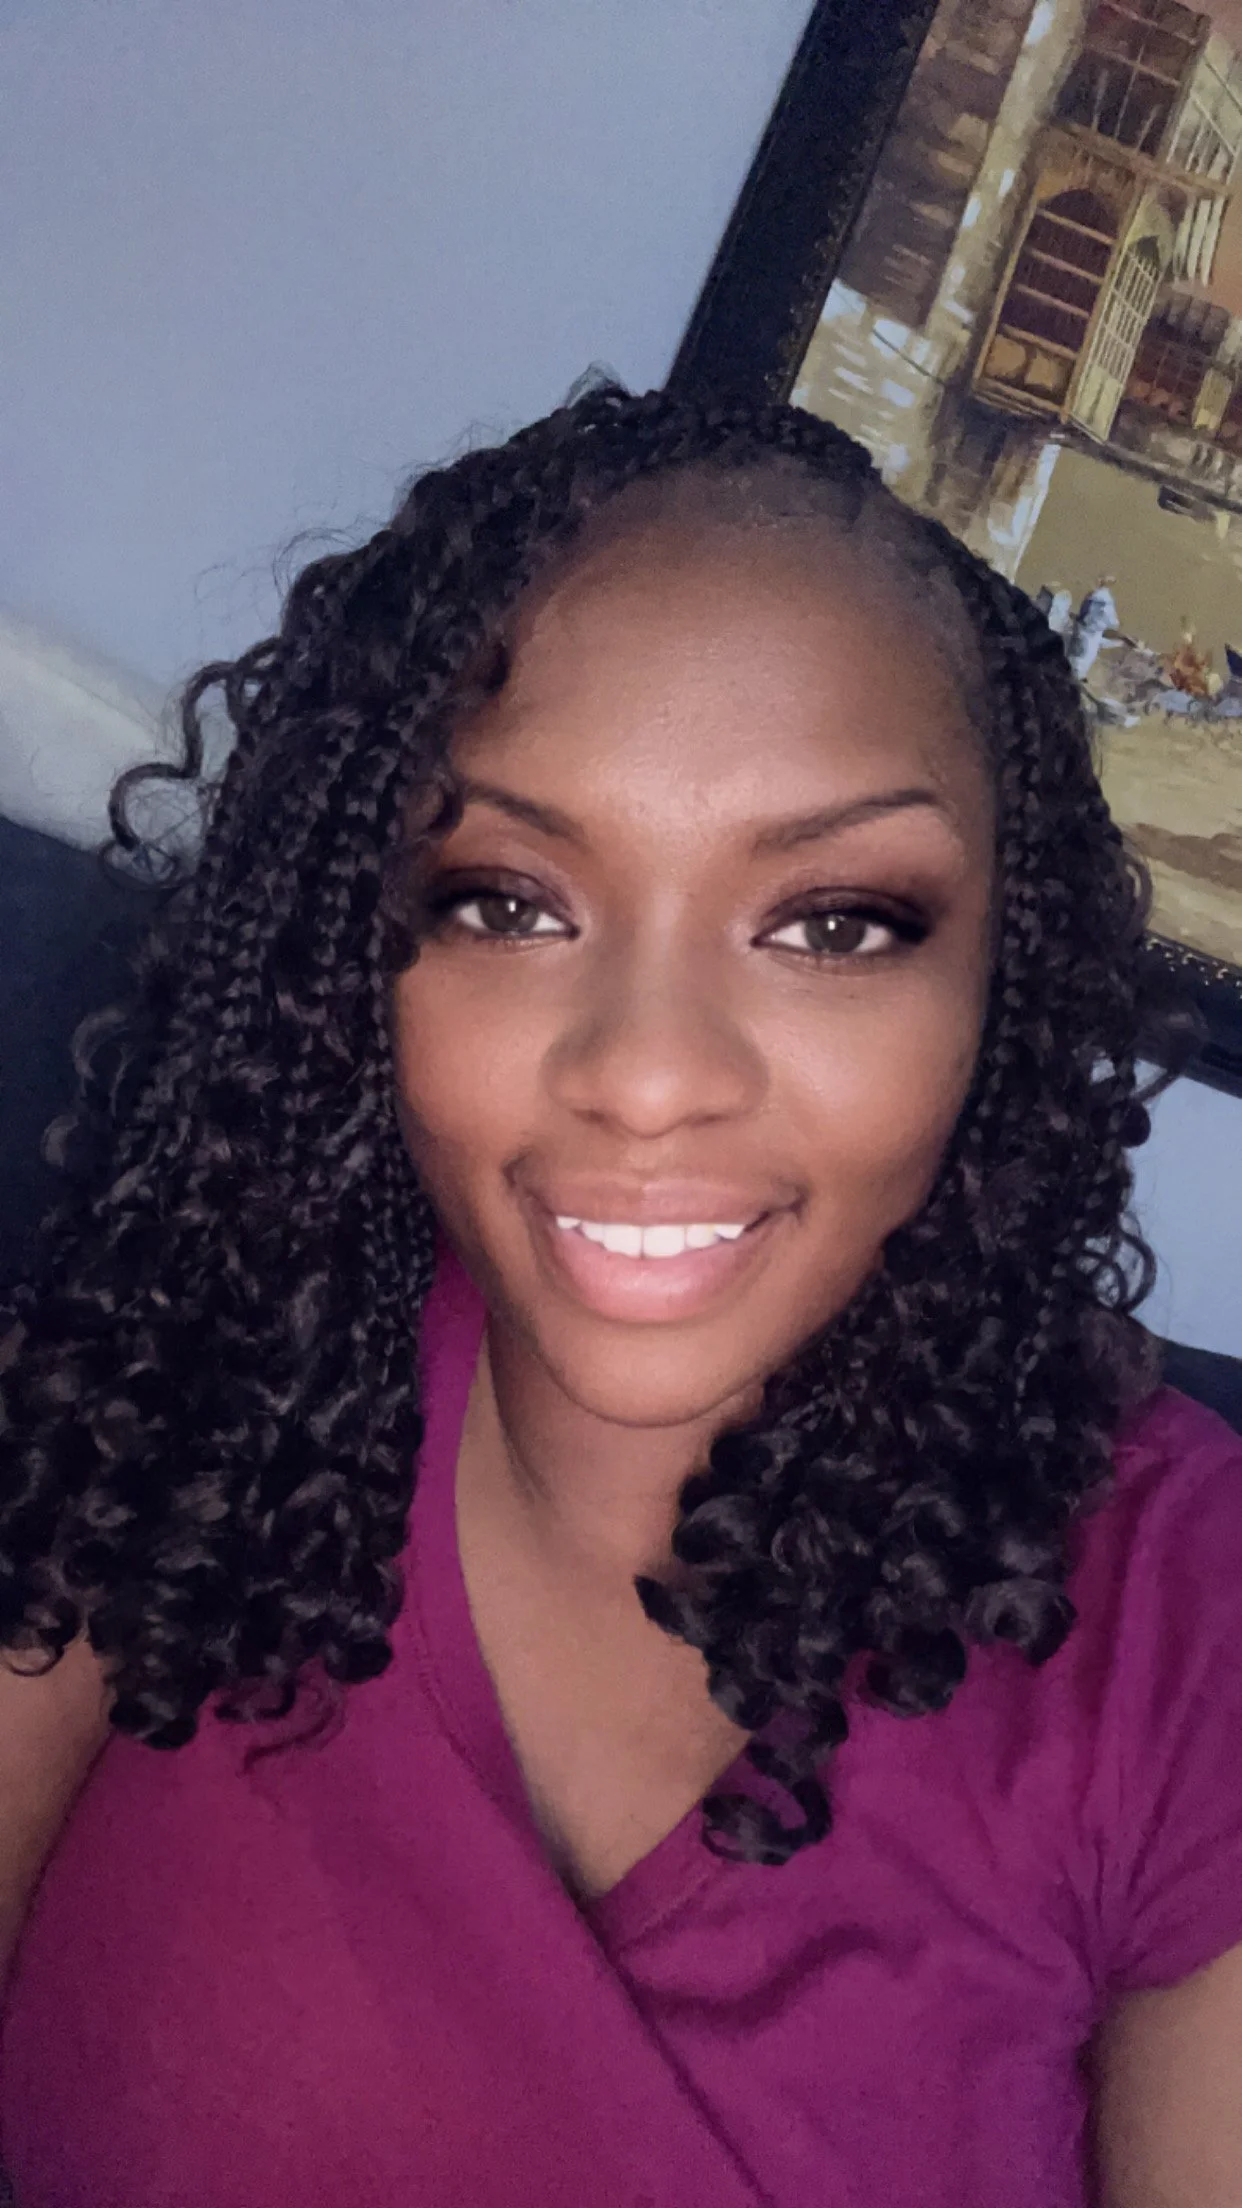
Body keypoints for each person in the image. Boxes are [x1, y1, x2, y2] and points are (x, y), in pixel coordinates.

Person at [1, 385, 1241, 2208]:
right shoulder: (161, 1385)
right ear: (355, 951)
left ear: (1002, 984)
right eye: (506, 901)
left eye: (834, 921)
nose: (647, 1075)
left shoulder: (1187, 1631)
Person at [1067, 575, 1121, 679]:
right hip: (1090, 630)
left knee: (1079, 652)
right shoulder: (1105, 602)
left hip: (1085, 628)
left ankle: (1075, 674)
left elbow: (1084, 613)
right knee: (1083, 654)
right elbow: (1112, 622)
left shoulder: (1092, 597)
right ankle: (1077, 674)